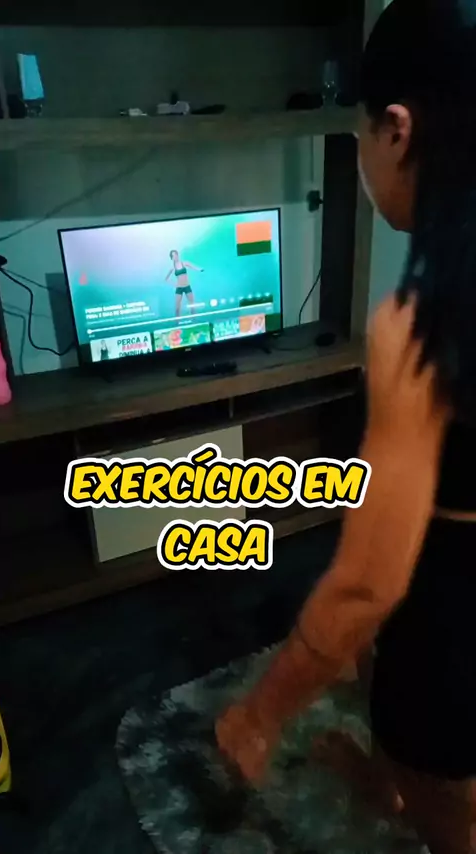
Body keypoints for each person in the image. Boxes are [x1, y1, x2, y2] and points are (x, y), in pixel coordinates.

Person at [216, 2, 476, 851]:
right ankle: (390, 778)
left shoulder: (421, 325)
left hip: (451, 619)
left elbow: (369, 584)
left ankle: (420, 795)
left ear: (396, 129)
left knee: (452, 816)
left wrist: (259, 716)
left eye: (360, 131)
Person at [165, 249, 203, 317]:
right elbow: (166, 279)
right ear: (172, 258)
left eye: (176, 255)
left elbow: (192, 266)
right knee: (177, 308)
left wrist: (199, 269)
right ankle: (177, 322)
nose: (175, 257)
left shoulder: (184, 263)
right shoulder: (172, 268)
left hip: (187, 286)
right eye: (173, 256)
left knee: (192, 306)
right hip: (179, 288)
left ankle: (194, 320)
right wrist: (174, 284)